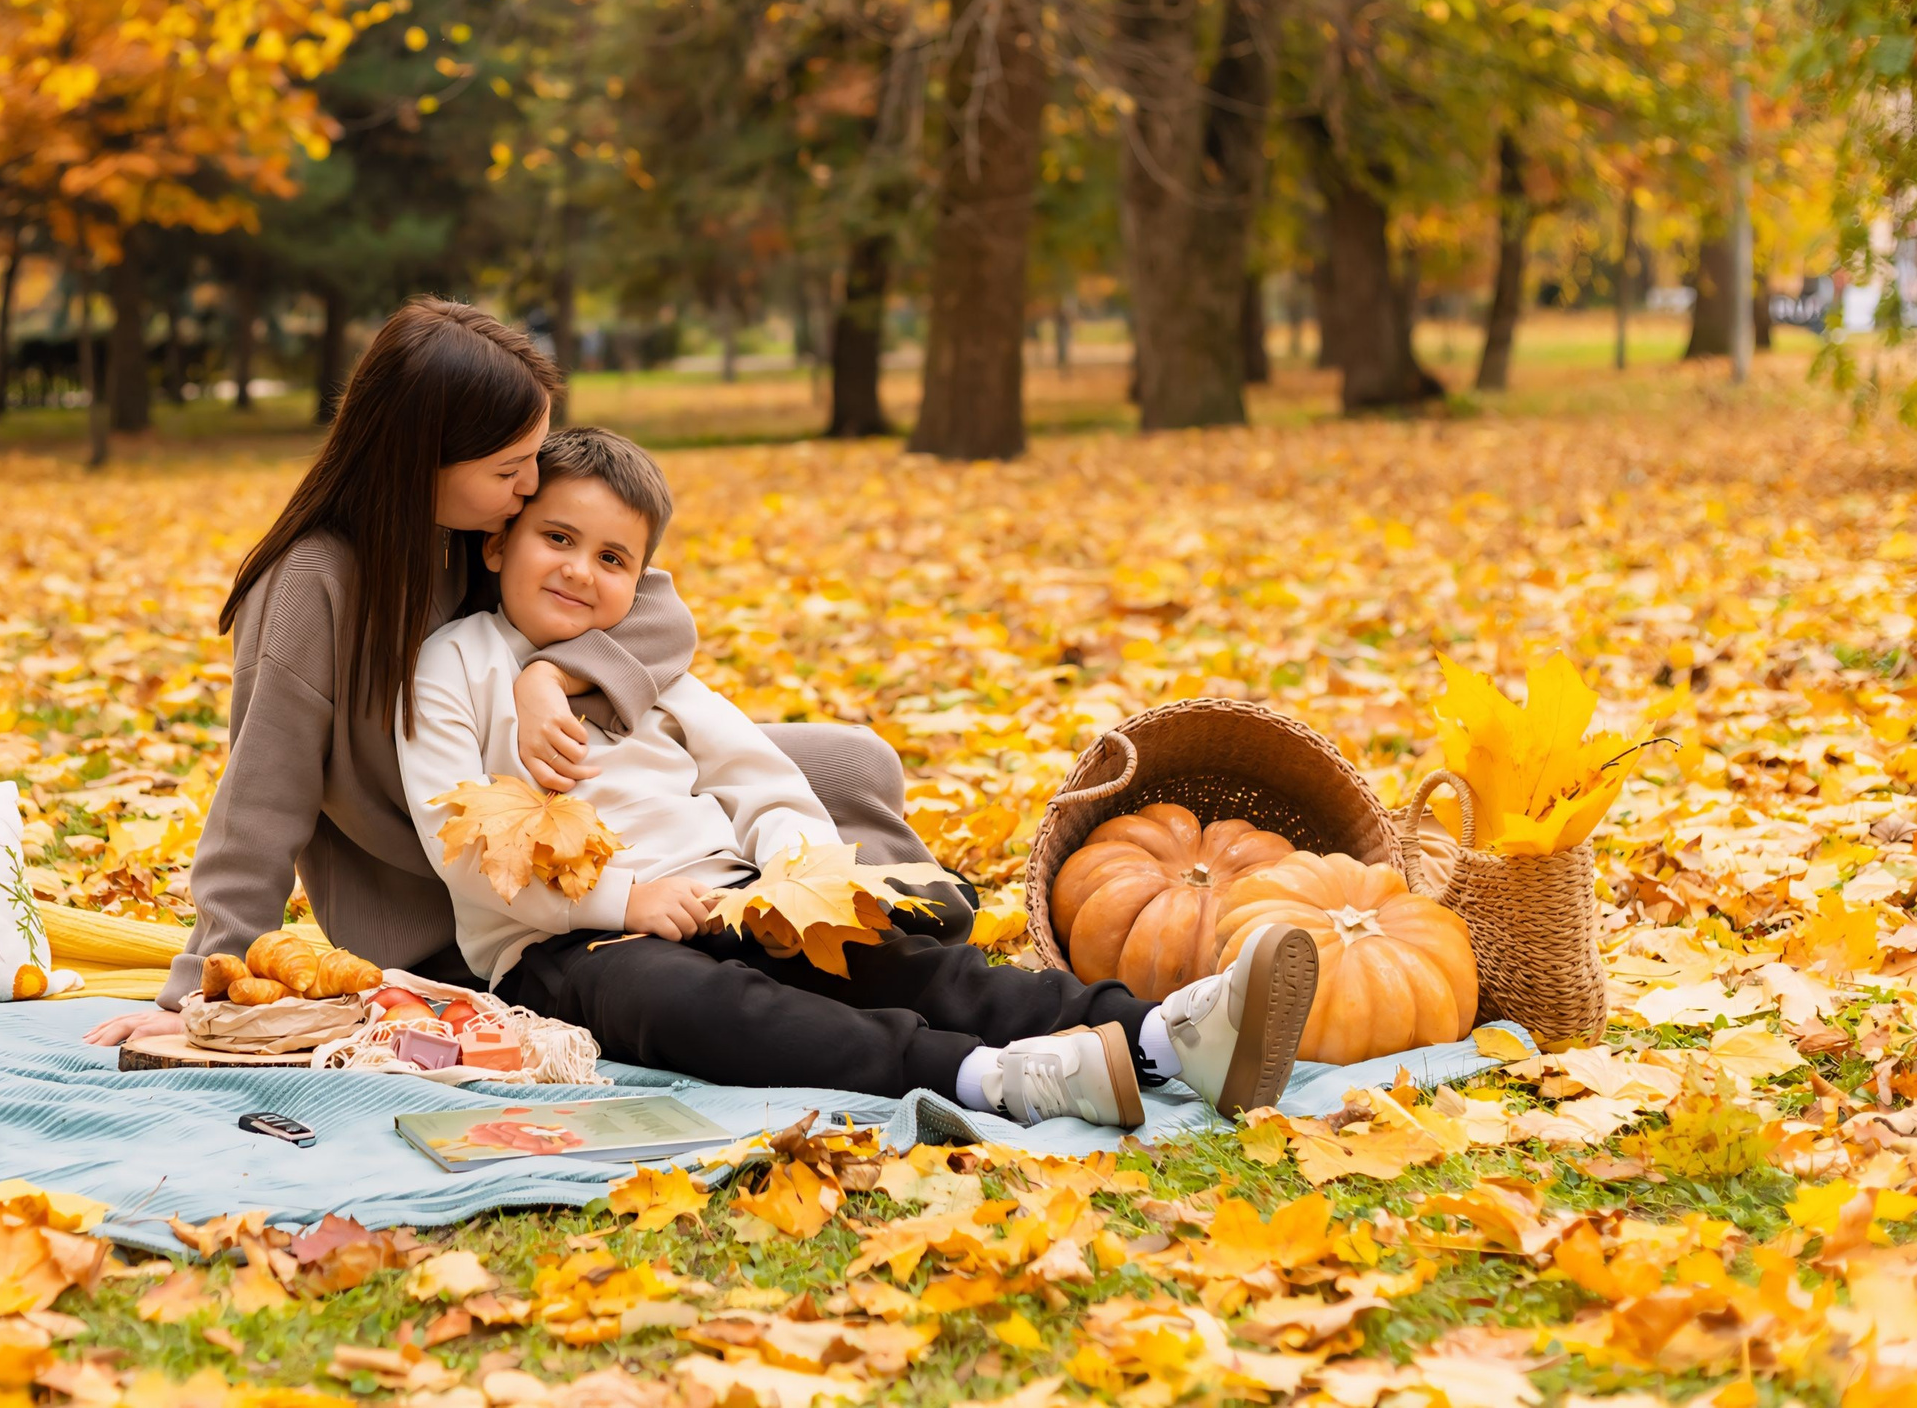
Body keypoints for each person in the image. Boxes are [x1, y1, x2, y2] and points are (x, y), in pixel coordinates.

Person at [83, 299, 956, 1048]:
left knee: (853, 763)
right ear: (422, 457)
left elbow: (655, 611)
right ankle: (838, 942)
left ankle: (889, 921)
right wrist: (203, 985)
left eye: (532, 459)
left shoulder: (480, 524)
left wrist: (551, 676)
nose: (531, 483)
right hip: (466, 891)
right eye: (510, 468)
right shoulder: (312, 587)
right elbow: (259, 798)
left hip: (588, 799)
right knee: (807, 793)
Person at [394, 426, 1320, 1125]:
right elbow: (461, 849)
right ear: (496, 545)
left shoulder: (648, 669)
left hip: (732, 894)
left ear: (640, 583)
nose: (578, 570)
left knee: (903, 962)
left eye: (612, 559)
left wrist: (800, 868)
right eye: (556, 538)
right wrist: (627, 900)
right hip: (572, 950)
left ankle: (1163, 1033)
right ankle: (985, 1077)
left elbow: (755, 776)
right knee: (697, 1006)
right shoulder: (453, 665)